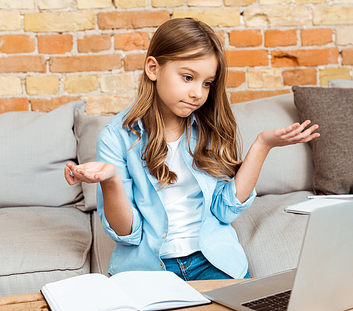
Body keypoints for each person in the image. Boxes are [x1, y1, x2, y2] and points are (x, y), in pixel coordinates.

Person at [65, 18, 319, 281]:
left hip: (213, 261)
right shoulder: (115, 138)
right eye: (188, 77)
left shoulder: (210, 128)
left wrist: (262, 146)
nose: (198, 92)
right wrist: (111, 180)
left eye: (207, 83)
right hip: (150, 268)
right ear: (153, 68)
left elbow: (226, 209)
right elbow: (127, 232)